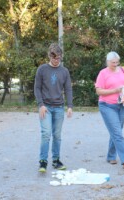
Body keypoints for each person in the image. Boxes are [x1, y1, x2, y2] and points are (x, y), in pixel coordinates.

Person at [34, 43, 73, 173]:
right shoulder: (42, 69)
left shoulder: (64, 71)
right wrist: (41, 105)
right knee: (46, 134)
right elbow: (37, 88)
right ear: (49, 56)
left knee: (57, 135)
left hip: (59, 107)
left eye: (59, 58)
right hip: (46, 107)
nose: (57, 60)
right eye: (54, 58)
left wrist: (70, 106)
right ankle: (43, 161)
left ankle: (56, 160)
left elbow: (68, 89)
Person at [95, 51, 124, 169]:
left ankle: (111, 156)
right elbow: (99, 91)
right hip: (107, 105)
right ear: (107, 62)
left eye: (117, 62)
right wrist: (115, 90)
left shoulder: (123, 70)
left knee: (116, 131)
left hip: (122, 104)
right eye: (113, 62)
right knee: (117, 133)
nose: (115, 64)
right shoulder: (103, 73)